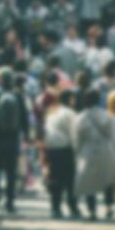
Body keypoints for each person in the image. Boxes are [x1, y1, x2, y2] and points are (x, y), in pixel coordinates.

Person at [0, 67, 30, 213]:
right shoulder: (18, 95)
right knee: (11, 170)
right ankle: (10, 201)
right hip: (13, 137)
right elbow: (24, 117)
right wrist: (26, 134)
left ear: (0, 79)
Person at [75, 88, 115, 220]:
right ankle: (108, 208)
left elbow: (78, 139)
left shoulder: (81, 117)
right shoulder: (106, 115)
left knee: (90, 182)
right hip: (105, 150)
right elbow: (112, 135)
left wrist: (77, 154)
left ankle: (92, 211)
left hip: (88, 151)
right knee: (107, 181)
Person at [44, 89, 80, 219]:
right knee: (70, 180)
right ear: (69, 99)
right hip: (65, 149)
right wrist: (77, 151)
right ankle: (73, 207)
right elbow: (74, 134)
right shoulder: (70, 113)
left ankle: (55, 208)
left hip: (52, 148)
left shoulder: (52, 111)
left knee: (55, 180)